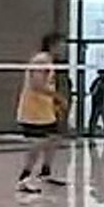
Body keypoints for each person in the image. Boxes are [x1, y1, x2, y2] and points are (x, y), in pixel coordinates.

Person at [15, 32, 68, 195]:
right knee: (37, 144)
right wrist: (58, 97)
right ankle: (23, 179)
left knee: (54, 138)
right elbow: (37, 85)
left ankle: (45, 172)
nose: (64, 48)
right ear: (53, 45)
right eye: (61, 45)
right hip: (33, 111)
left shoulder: (50, 62)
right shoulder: (41, 60)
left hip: (45, 110)